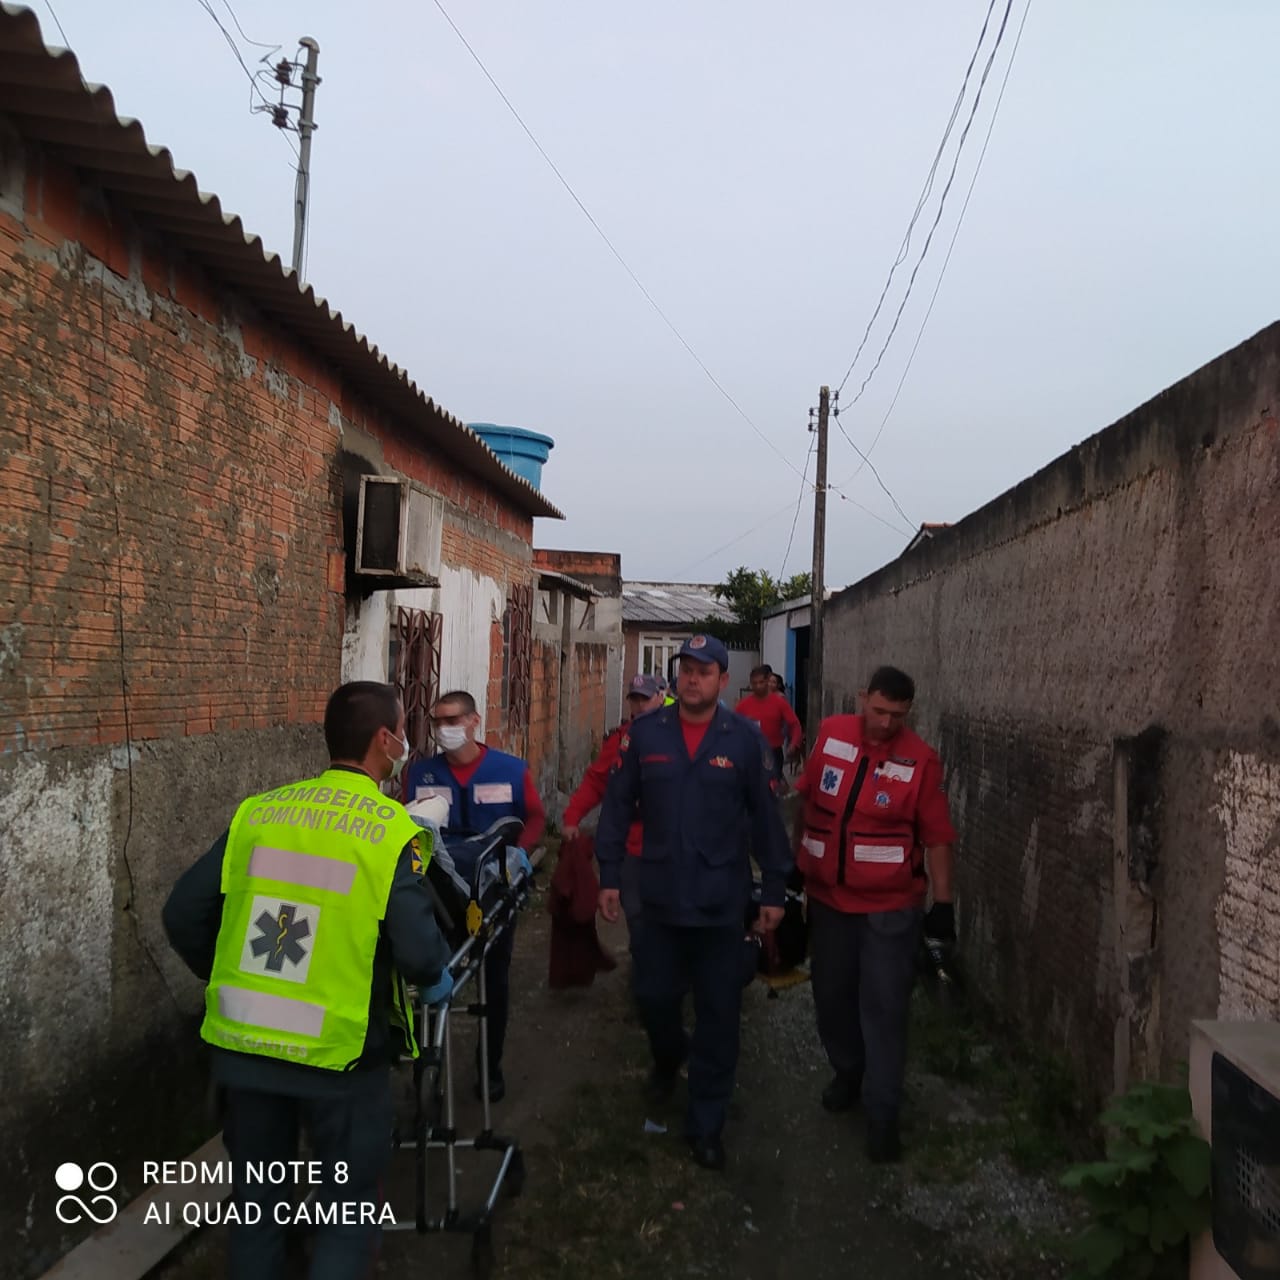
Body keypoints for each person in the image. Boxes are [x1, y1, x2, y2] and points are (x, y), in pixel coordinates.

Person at [162, 681, 453, 1280]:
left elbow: (182, 914)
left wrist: (227, 981)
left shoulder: (258, 814)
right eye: (401, 730)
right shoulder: (389, 832)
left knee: (257, 1213)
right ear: (384, 740)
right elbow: (422, 957)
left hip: (245, 1055)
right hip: (339, 1061)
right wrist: (435, 977)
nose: (405, 742)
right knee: (346, 1216)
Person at [597, 633, 792, 1172]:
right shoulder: (644, 735)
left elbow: (767, 822)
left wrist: (773, 889)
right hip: (658, 899)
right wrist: (609, 874)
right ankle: (667, 1056)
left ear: (723, 680)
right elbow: (616, 808)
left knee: (719, 1015)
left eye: (704, 671)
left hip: (719, 905)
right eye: (685, 668)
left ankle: (706, 1123)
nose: (692, 678)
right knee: (654, 997)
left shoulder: (744, 739)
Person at [792, 665, 956, 1163]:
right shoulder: (831, 733)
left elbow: (938, 837)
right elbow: (806, 799)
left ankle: (883, 1116)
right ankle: (849, 1073)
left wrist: (943, 906)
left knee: (884, 1010)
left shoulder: (920, 759)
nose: (886, 723)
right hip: (829, 901)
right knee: (832, 997)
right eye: (879, 710)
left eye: (898, 715)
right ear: (863, 697)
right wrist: (791, 865)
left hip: (890, 909)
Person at [404, 690, 545, 1102]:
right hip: (440, 893)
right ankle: (427, 1072)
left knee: (494, 980)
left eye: (452, 721)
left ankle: (490, 1067)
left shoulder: (511, 770)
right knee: (430, 978)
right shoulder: (421, 774)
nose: (443, 730)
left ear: (474, 721)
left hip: (494, 888)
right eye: (437, 722)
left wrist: (522, 852)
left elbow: (534, 816)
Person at [561, 673, 665, 949]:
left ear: (661, 697)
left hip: (676, 846)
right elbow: (596, 781)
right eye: (635, 699)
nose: (640, 706)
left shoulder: (678, 737)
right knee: (639, 917)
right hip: (633, 846)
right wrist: (572, 817)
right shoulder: (621, 741)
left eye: (646, 699)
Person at [735, 663, 803, 782]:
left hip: (773, 752)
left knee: (772, 787)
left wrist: (794, 744)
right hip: (751, 753)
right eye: (754, 683)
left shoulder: (779, 702)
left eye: (761, 682)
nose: (758, 686)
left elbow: (794, 724)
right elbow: (732, 726)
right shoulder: (743, 705)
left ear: (767, 681)